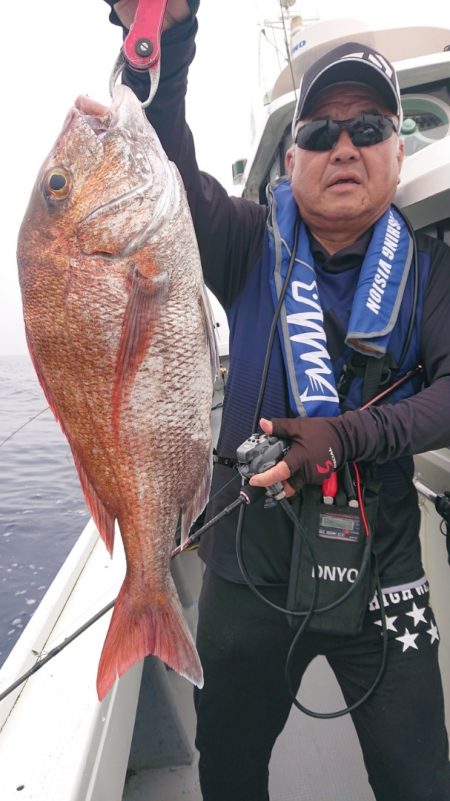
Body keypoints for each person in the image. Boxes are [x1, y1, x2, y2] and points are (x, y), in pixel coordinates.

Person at [105, 3, 450, 799]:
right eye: (321, 132)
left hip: (387, 574)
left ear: (398, 152)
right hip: (244, 567)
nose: (344, 146)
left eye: (369, 128)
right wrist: (167, 34)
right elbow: (163, 163)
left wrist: (352, 434)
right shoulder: (241, 240)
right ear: (291, 160)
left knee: (419, 777)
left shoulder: (432, 274)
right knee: (228, 770)